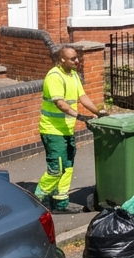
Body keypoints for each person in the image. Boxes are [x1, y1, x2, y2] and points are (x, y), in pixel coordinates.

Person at [36, 46, 106, 213]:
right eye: (73, 58)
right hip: (52, 131)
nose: (77, 61)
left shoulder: (73, 75)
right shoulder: (54, 77)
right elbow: (60, 103)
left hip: (67, 131)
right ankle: (35, 201)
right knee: (56, 170)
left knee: (67, 168)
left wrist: (97, 111)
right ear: (62, 60)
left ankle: (60, 203)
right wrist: (81, 116)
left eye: (77, 58)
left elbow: (82, 97)